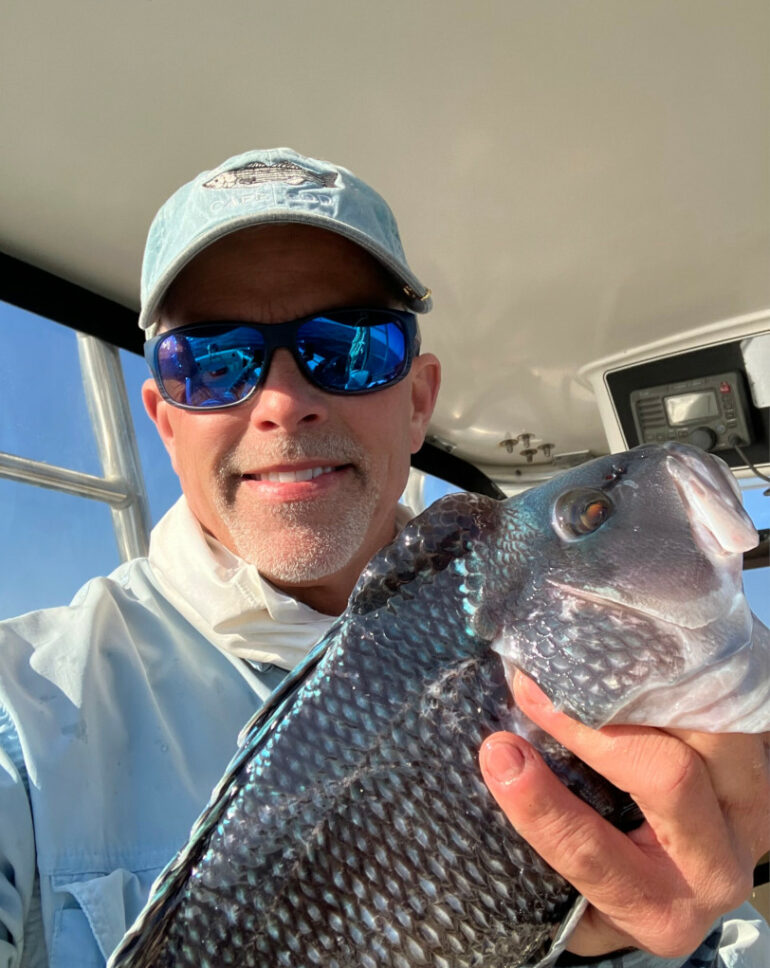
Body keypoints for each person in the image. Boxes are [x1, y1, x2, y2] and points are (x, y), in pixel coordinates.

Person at [0, 147, 767, 968]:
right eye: (212, 362)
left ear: (419, 402)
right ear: (164, 419)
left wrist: (654, 933)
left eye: (349, 347)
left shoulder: (627, 670)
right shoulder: (23, 711)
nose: (284, 403)